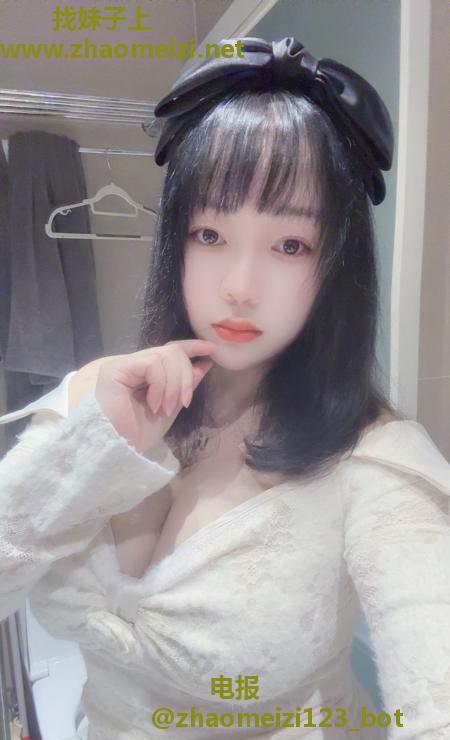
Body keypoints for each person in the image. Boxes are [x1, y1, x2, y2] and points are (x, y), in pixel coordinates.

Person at [1, 36, 449, 740]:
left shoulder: (374, 465)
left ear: (336, 265)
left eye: (290, 245)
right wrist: (85, 451)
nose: (239, 287)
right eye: (210, 234)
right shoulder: (103, 392)